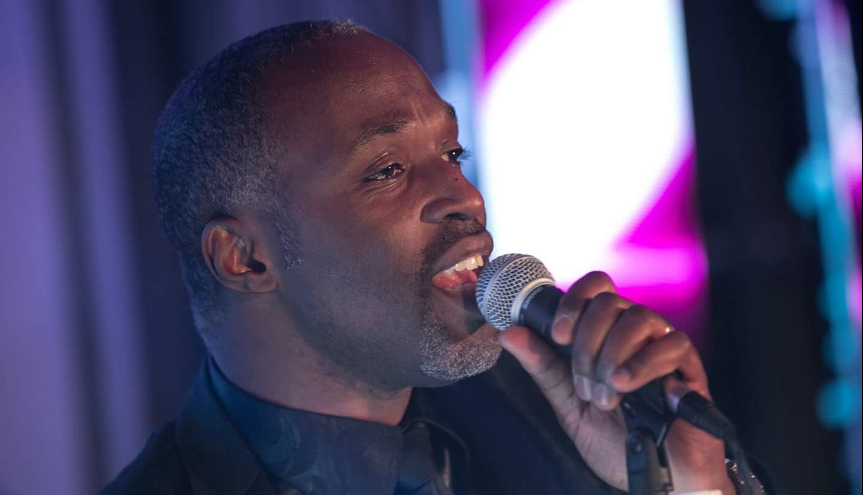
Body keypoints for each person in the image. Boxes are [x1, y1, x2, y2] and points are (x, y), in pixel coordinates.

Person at [101, 20, 748, 495]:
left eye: (452, 153)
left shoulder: (569, 408)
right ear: (244, 258)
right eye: (387, 170)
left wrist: (692, 485)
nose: (465, 197)